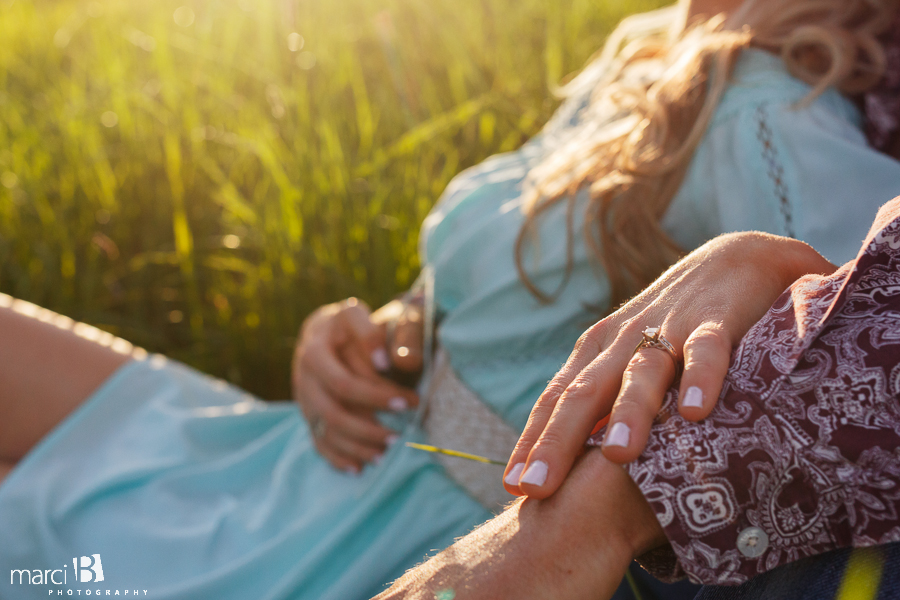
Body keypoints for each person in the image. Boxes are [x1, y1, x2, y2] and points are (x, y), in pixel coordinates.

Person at [1, 0, 899, 598]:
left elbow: (841, 334)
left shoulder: (780, 119)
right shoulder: (658, 42)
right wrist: (372, 329)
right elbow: (490, 271)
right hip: (335, 457)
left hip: (421, 532)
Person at [378, 194, 900, 600]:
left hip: (450, 502)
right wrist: (403, 315)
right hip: (369, 426)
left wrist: (606, 500)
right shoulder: (630, 78)